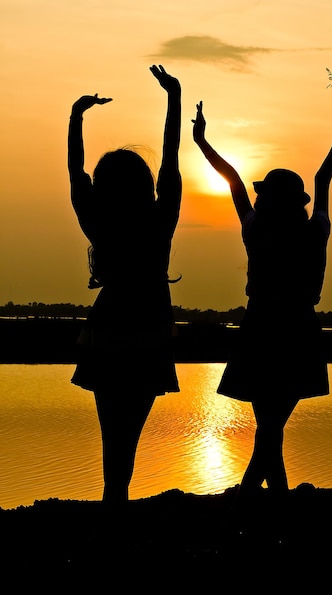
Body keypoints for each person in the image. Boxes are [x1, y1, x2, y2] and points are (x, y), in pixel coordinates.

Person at [192, 101, 332, 512]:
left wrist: (201, 141)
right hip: (297, 327)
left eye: (265, 193)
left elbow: (232, 179)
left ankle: (259, 494)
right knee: (272, 423)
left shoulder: (255, 229)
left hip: (263, 325)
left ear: (269, 200)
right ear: (297, 203)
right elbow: (322, 181)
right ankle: (273, 497)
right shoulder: (314, 231)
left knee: (268, 423)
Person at [68, 65, 182, 505]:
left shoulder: (98, 220)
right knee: (128, 430)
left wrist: (76, 118)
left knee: (110, 430)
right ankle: (117, 499)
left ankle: (113, 499)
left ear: (102, 186)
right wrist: (173, 98)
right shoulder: (158, 219)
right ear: (145, 185)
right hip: (150, 325)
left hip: (109, 325)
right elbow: (171, 157)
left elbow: (75, 171)